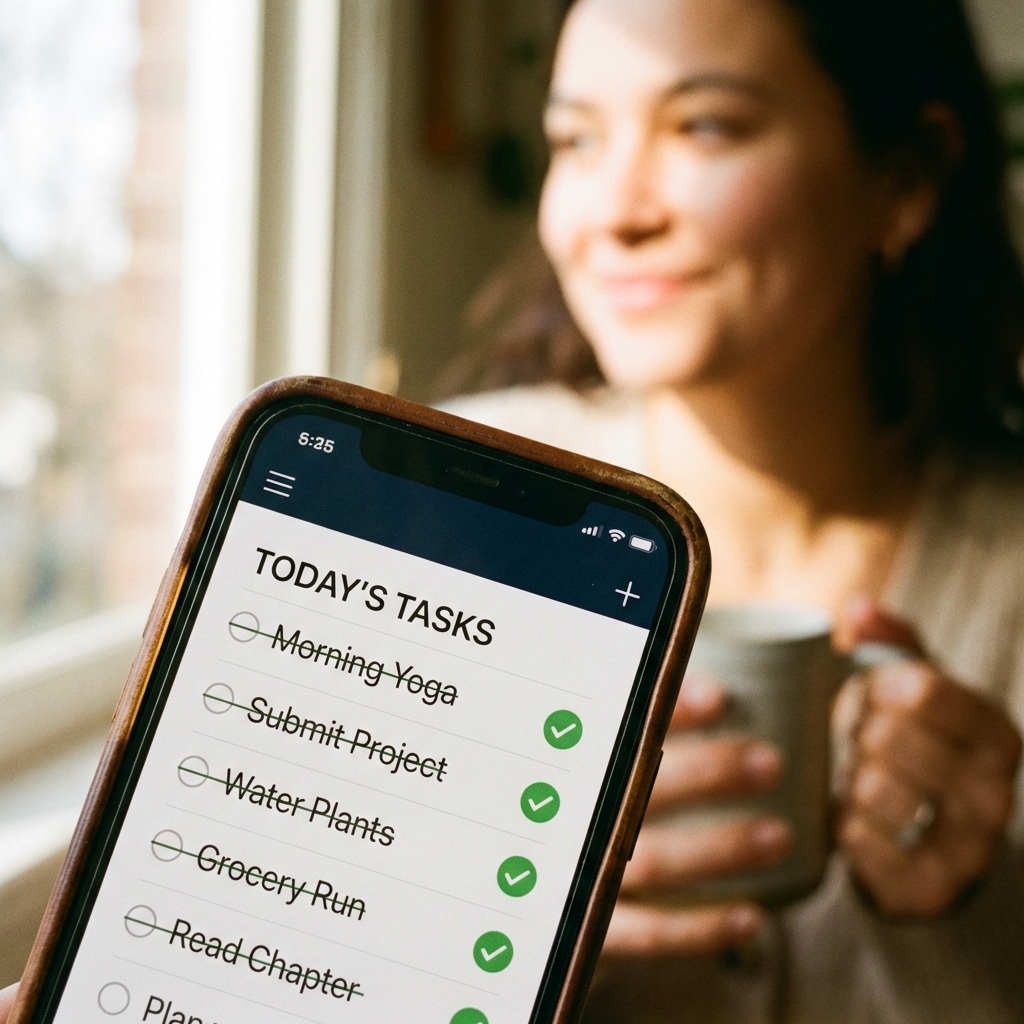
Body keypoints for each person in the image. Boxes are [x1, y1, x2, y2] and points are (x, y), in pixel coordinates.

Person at [441, 0, 1024, 1020]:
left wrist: (981, 903)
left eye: (704, 125)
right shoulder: (438, 505)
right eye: (576, 139)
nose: (615, 212)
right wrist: (470, 925)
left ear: (904, 178)